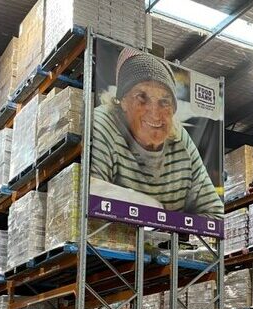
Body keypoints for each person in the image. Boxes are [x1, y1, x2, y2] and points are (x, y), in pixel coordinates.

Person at [91, 48, 224, 219]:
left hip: (166, 244)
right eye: (142, 97)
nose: (155, 113)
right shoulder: (104, 122)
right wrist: (148, 208)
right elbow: (92, 192)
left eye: (164, 101)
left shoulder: (180, 139)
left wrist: (172, 230)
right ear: (123, 101)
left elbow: (216, 215)